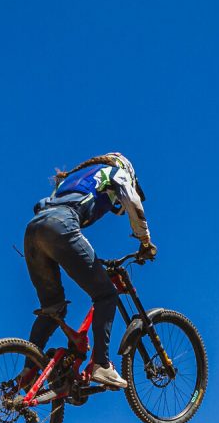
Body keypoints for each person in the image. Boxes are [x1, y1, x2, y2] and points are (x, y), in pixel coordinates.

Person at [24, 153, 153, 391]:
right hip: (62, 225)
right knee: (106, 295)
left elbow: (42, 208)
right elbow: (133, 202)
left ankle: (29, 370)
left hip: (33, 232)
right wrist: (145, 241)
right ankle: (101, 364)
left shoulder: (69, 182)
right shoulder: (114, 172)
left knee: (53, 307)